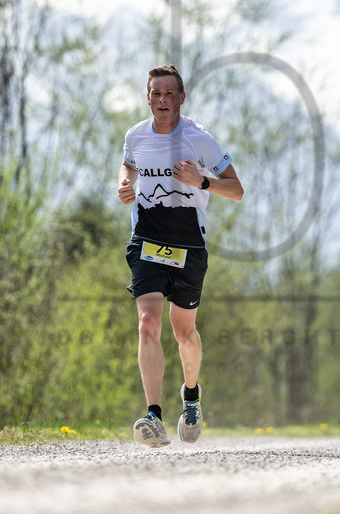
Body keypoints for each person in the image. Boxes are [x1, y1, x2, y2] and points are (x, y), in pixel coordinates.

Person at [117, 64, 244, 448]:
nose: (162, 101)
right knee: (147, 324)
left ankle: (191, 397)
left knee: (183, 331)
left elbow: (236, 189)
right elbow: (128, 164)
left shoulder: (198, 139)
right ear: (148, 98)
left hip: (189, 243)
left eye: (169, 94)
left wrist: (201, 181)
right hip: (147, 240)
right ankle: (153, 415)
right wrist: (125, 183)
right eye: (155, 94)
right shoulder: (136, 135)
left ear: (181, 98)